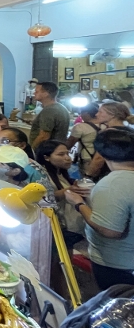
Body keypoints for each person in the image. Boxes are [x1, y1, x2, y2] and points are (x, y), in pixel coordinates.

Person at [65, 129, 134, 289]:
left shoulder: (113, 184)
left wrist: (78, 203)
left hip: (120, 265)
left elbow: (110, 230)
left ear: (102, 154)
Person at [36, 140, 91, 248]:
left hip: (71, 224)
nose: (67, 158)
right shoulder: (41, 175)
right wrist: (69, 190)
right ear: (46, 157)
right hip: (58, 225)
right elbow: (46, 198)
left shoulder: (61, 173)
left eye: (67, 153)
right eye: (61, 154)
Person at [85, 102, 134, 178]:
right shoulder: (131, 131)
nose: (96, 114)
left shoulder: (108, 134)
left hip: (109, 174)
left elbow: (99, 158)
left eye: (100, 112)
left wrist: (88, 175)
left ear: (112, 115)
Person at [30, 81, 71, 149]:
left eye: (36, 91)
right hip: (57, 148)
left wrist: (31, 150)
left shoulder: (49, 110)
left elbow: (44, 136)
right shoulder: (60, 107)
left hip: (48, 150)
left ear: (46, 94)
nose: (34, 93)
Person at [66, 103, 101, 177]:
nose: (80, 115)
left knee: (87, 179)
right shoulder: (105, 125)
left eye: (81, 113)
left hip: (87, 158)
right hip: (103, 158)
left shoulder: (80, 127)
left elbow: (70, 143)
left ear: (87, 113)